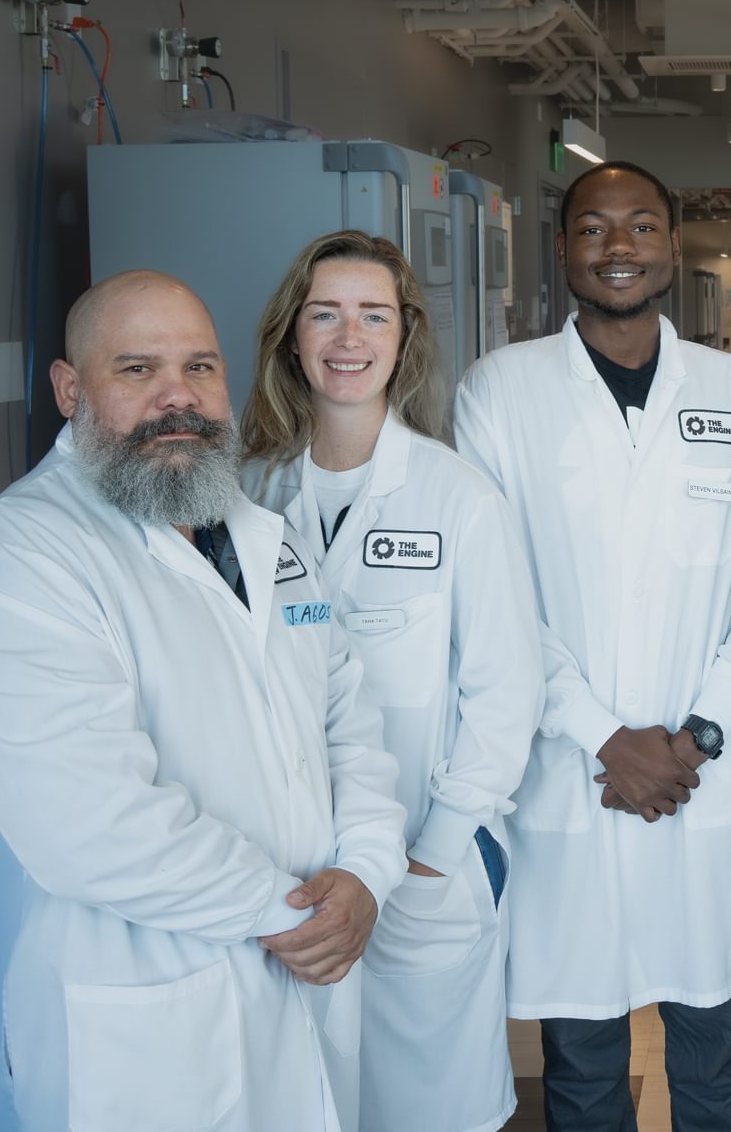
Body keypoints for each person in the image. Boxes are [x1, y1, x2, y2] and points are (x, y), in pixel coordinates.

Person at [0, 270, 406, 1132]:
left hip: (297, 968)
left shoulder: (265, 538)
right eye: (137, 370)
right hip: (127, 1020)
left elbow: (347, 720)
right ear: (70, 389)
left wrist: (368, 869)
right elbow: (91, 827)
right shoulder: (11, 562)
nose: (177, 397)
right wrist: (291, 915)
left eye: (201, 368)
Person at [453, 161, 731, 1132]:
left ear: (672, 248)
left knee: (716, 1055)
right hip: (575, 771)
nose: (618, 248)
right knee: (582, 1064)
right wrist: (608, 738)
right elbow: (496, 597)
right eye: (595, 229)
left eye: (641, 227)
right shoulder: (500, 392)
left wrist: (696, 735)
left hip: (704, 773)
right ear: (563, 250)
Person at [240, 232, 545, 1132]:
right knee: (311, 1098)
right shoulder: (248, 493)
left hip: (425, 868)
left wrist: (433, 854)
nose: (348, 336)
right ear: (292, 336)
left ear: (405, 339)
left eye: (373, 315)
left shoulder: (460, 500)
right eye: (324, 313)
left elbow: (506, 694)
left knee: (434, 1104)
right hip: (290, 870)